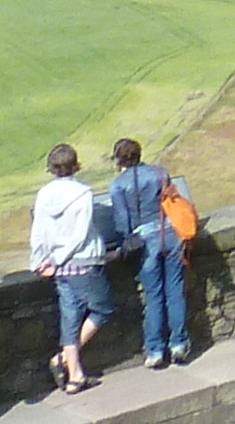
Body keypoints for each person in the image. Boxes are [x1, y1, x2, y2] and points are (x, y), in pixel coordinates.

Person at [100, 136, 193, 369]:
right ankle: (179, 344)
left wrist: (122, 249)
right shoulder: (160, 173)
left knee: (154, 297)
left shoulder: (118, 186)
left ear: (119, 160)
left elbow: (123, 224)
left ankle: (155, 350)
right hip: (171, 236)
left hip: (146, 242)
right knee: (175, 291)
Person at [31, 144, 108, 393]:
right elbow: (81, 233)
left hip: (60, 266)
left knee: (70, 317)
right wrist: (57, 259)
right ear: (75, 165)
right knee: (103, 308)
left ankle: (75, 375)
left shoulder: (44, 194)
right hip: (83, 261)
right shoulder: (83, 193)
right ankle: (63, 361)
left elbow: (39, 231)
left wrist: (40, 261)